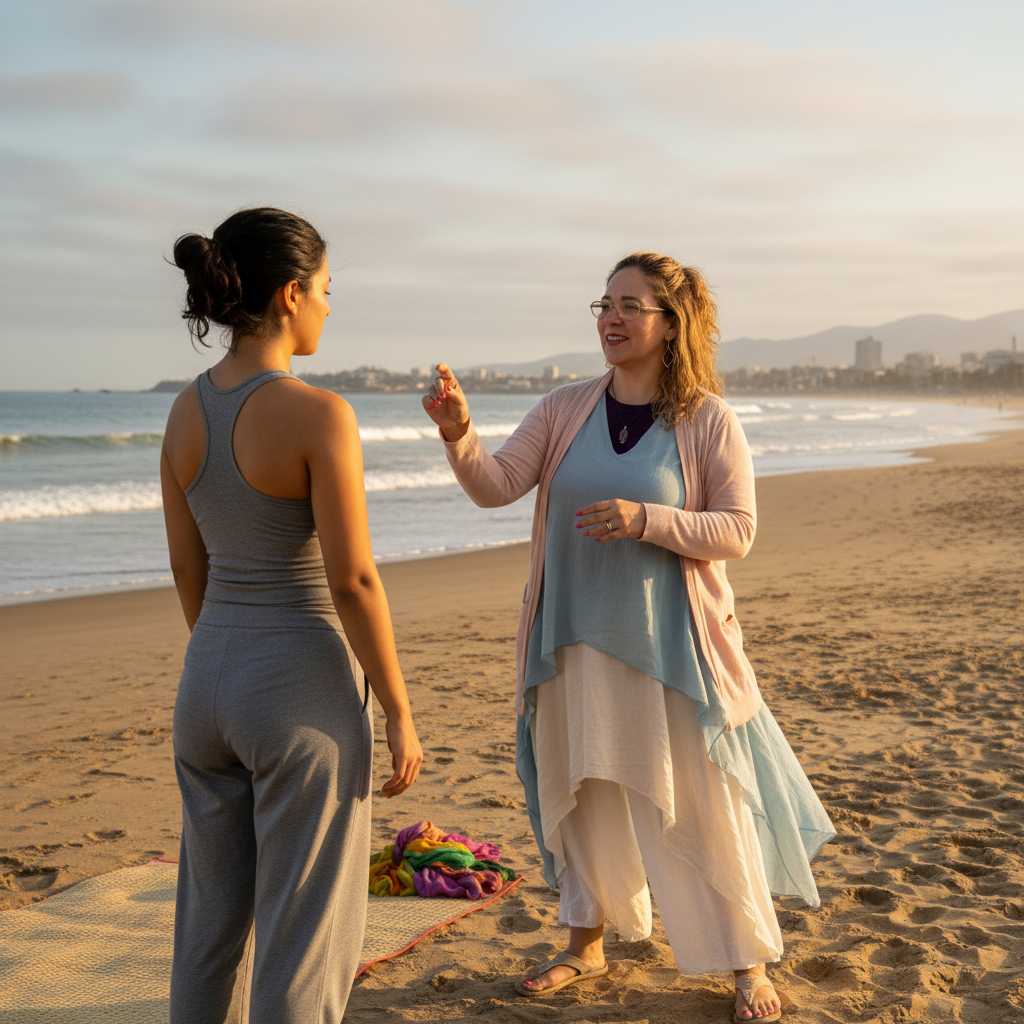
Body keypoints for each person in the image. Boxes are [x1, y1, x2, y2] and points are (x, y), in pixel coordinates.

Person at [422, 252, 835, 1022]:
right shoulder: (564, 408)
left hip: (671, 647)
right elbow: (495, 486)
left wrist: (648, 519)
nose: (611, 318)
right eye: (604, 305)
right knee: (581, 794)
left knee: (702, 800)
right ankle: (584, 944)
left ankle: (746, 962)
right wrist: (460, 434)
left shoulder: (707, 419)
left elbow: (738, 530)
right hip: (569, 639)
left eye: (630, 306)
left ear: (671, 324)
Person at [162, 207, 422, 1024]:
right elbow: (354, 581)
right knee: (302, 939)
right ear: (290, 294)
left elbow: (187, 567)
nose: (330, 308)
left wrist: (226, 654)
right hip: (299, 693)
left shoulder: (183, 411)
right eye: (327, 290)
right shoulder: (319, 413)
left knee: (206, 934)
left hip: (205, 685)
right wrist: (399, 710)